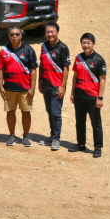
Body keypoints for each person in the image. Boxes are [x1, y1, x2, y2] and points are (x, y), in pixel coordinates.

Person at [0, 27, 38, 147]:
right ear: (9, 36)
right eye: (12, 34)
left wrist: (32, 88)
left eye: (17, 34)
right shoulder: (4, 50)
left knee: (26, 112)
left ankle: (26, 136)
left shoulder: (29, 50)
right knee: (10, 112)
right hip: (9, 88)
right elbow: (1, 69)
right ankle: (12, 135)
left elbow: (33, 70)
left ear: (21, 35)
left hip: (25, 89)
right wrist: (0, 85)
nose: (14, 36)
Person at [69, 33, 106, 158]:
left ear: (93, 44)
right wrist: (72, 93)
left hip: (93, 97)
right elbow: (75, 76)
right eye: (83, 43)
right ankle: (81, 144)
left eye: (88, 43)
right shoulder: (78, 57)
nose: (86, 45)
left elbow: (102, 79)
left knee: (96, 123)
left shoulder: (99, 59)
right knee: (80, 121)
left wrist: (100, 98)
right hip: (79, 95)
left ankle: (98, 147)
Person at [38, 21, 70, 151]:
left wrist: (63, 86)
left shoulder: (63, 48)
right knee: (49, 111)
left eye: (52, 32)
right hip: (46, 85)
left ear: (57, 32)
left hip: (57, 86)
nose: (50, 34)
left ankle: (56, 138)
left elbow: (66, 68)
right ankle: (52, 137)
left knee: (56, 113)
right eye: (47, 32)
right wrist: (40, 81)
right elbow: (41, 64)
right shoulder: (44, 46)